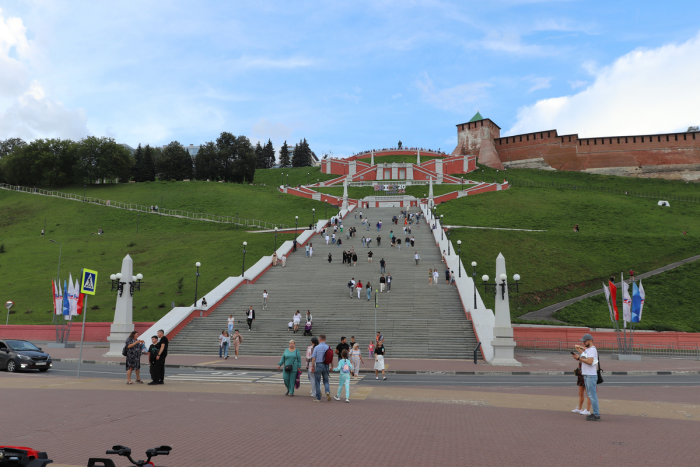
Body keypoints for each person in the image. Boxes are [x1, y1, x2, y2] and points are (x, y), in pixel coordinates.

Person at [573, 333, 601, 421]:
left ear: (590, 340)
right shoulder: (589, 350)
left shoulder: (592, 350)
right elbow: (585, 357)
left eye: (585, 341)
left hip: (590, 375)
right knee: (590, 395)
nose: (583, 343)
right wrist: (579, 354)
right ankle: (595, 413)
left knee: (592, 395)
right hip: (587, 375)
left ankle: (596, 414)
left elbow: (589, 361)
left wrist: (578, 358)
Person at [311, 334, 332, 402]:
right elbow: (330, 358)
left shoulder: (316, 347)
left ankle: (318, 398)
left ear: (319, 339)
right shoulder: (328, 347)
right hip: (326, 365)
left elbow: (313, 358)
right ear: (325, 339)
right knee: (326, 380)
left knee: (317, 381)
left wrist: (312, 366)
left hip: (319, 365)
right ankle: (327, 391)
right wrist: (332, 366)